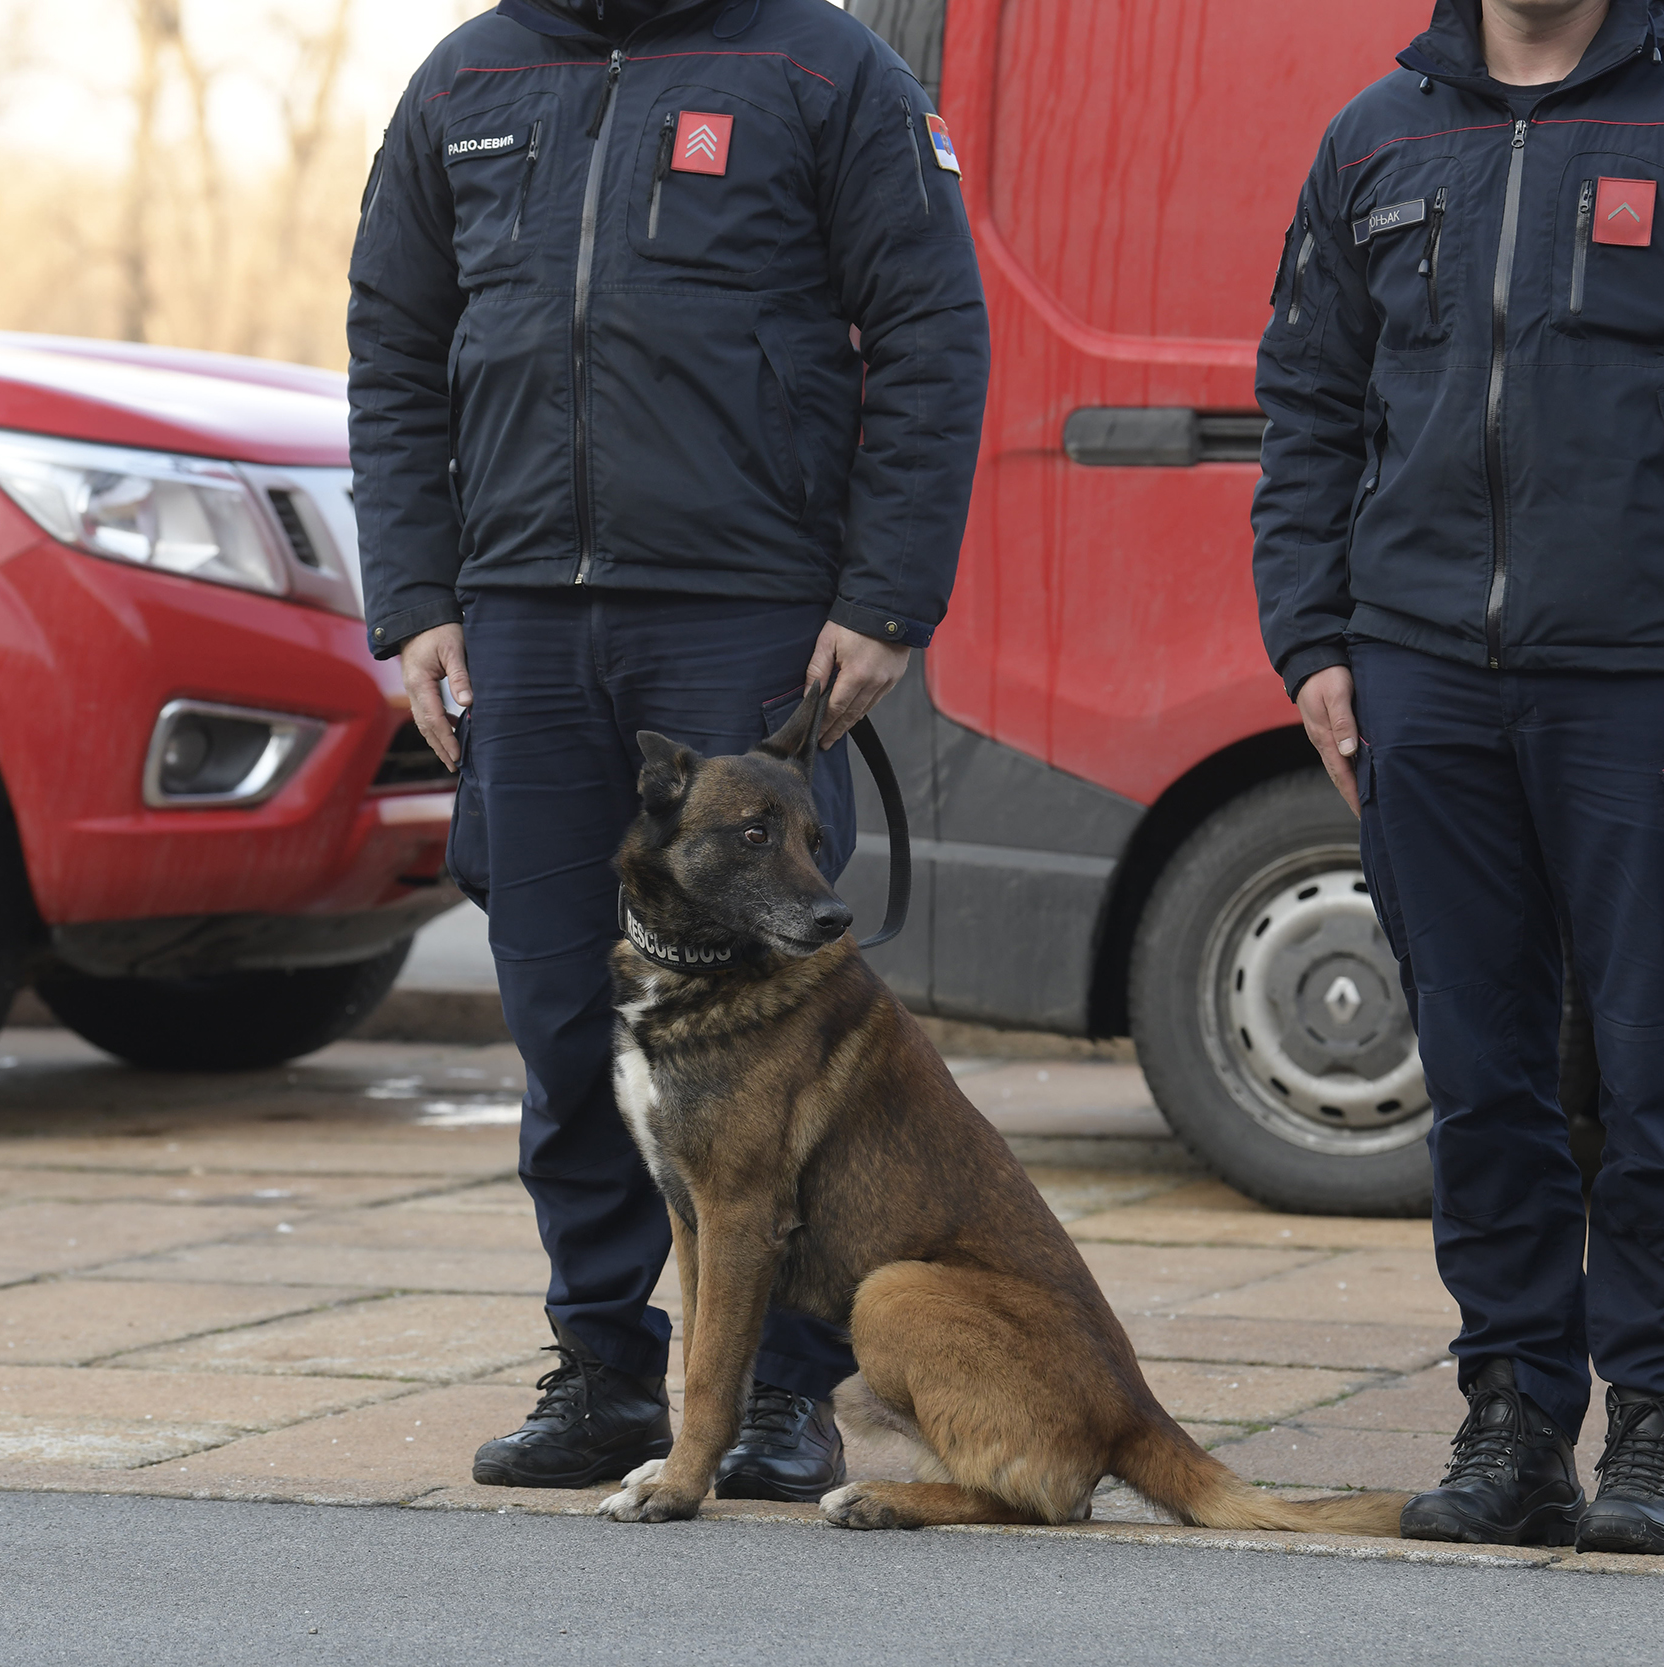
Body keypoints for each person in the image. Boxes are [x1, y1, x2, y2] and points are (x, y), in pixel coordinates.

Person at [1252, 0, 1664, 1556]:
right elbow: (1309, 400)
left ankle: (1659, 1423)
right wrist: (1311, 639)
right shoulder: (1374, 139)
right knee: (1478, 1074)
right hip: (1421, 670)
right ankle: (1515, 1419)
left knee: (1658, 1061)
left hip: (1652, 671)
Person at [348, 0, 988, 1498]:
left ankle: (783, 1388)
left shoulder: (824, 68)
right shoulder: (467, 77)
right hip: (520, 611)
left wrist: (885, 595)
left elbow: (930, 331)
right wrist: (418, 598)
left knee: (775, 1017)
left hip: (744, 609)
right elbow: (395, 346)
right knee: (560, 1001)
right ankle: (602, 1364)